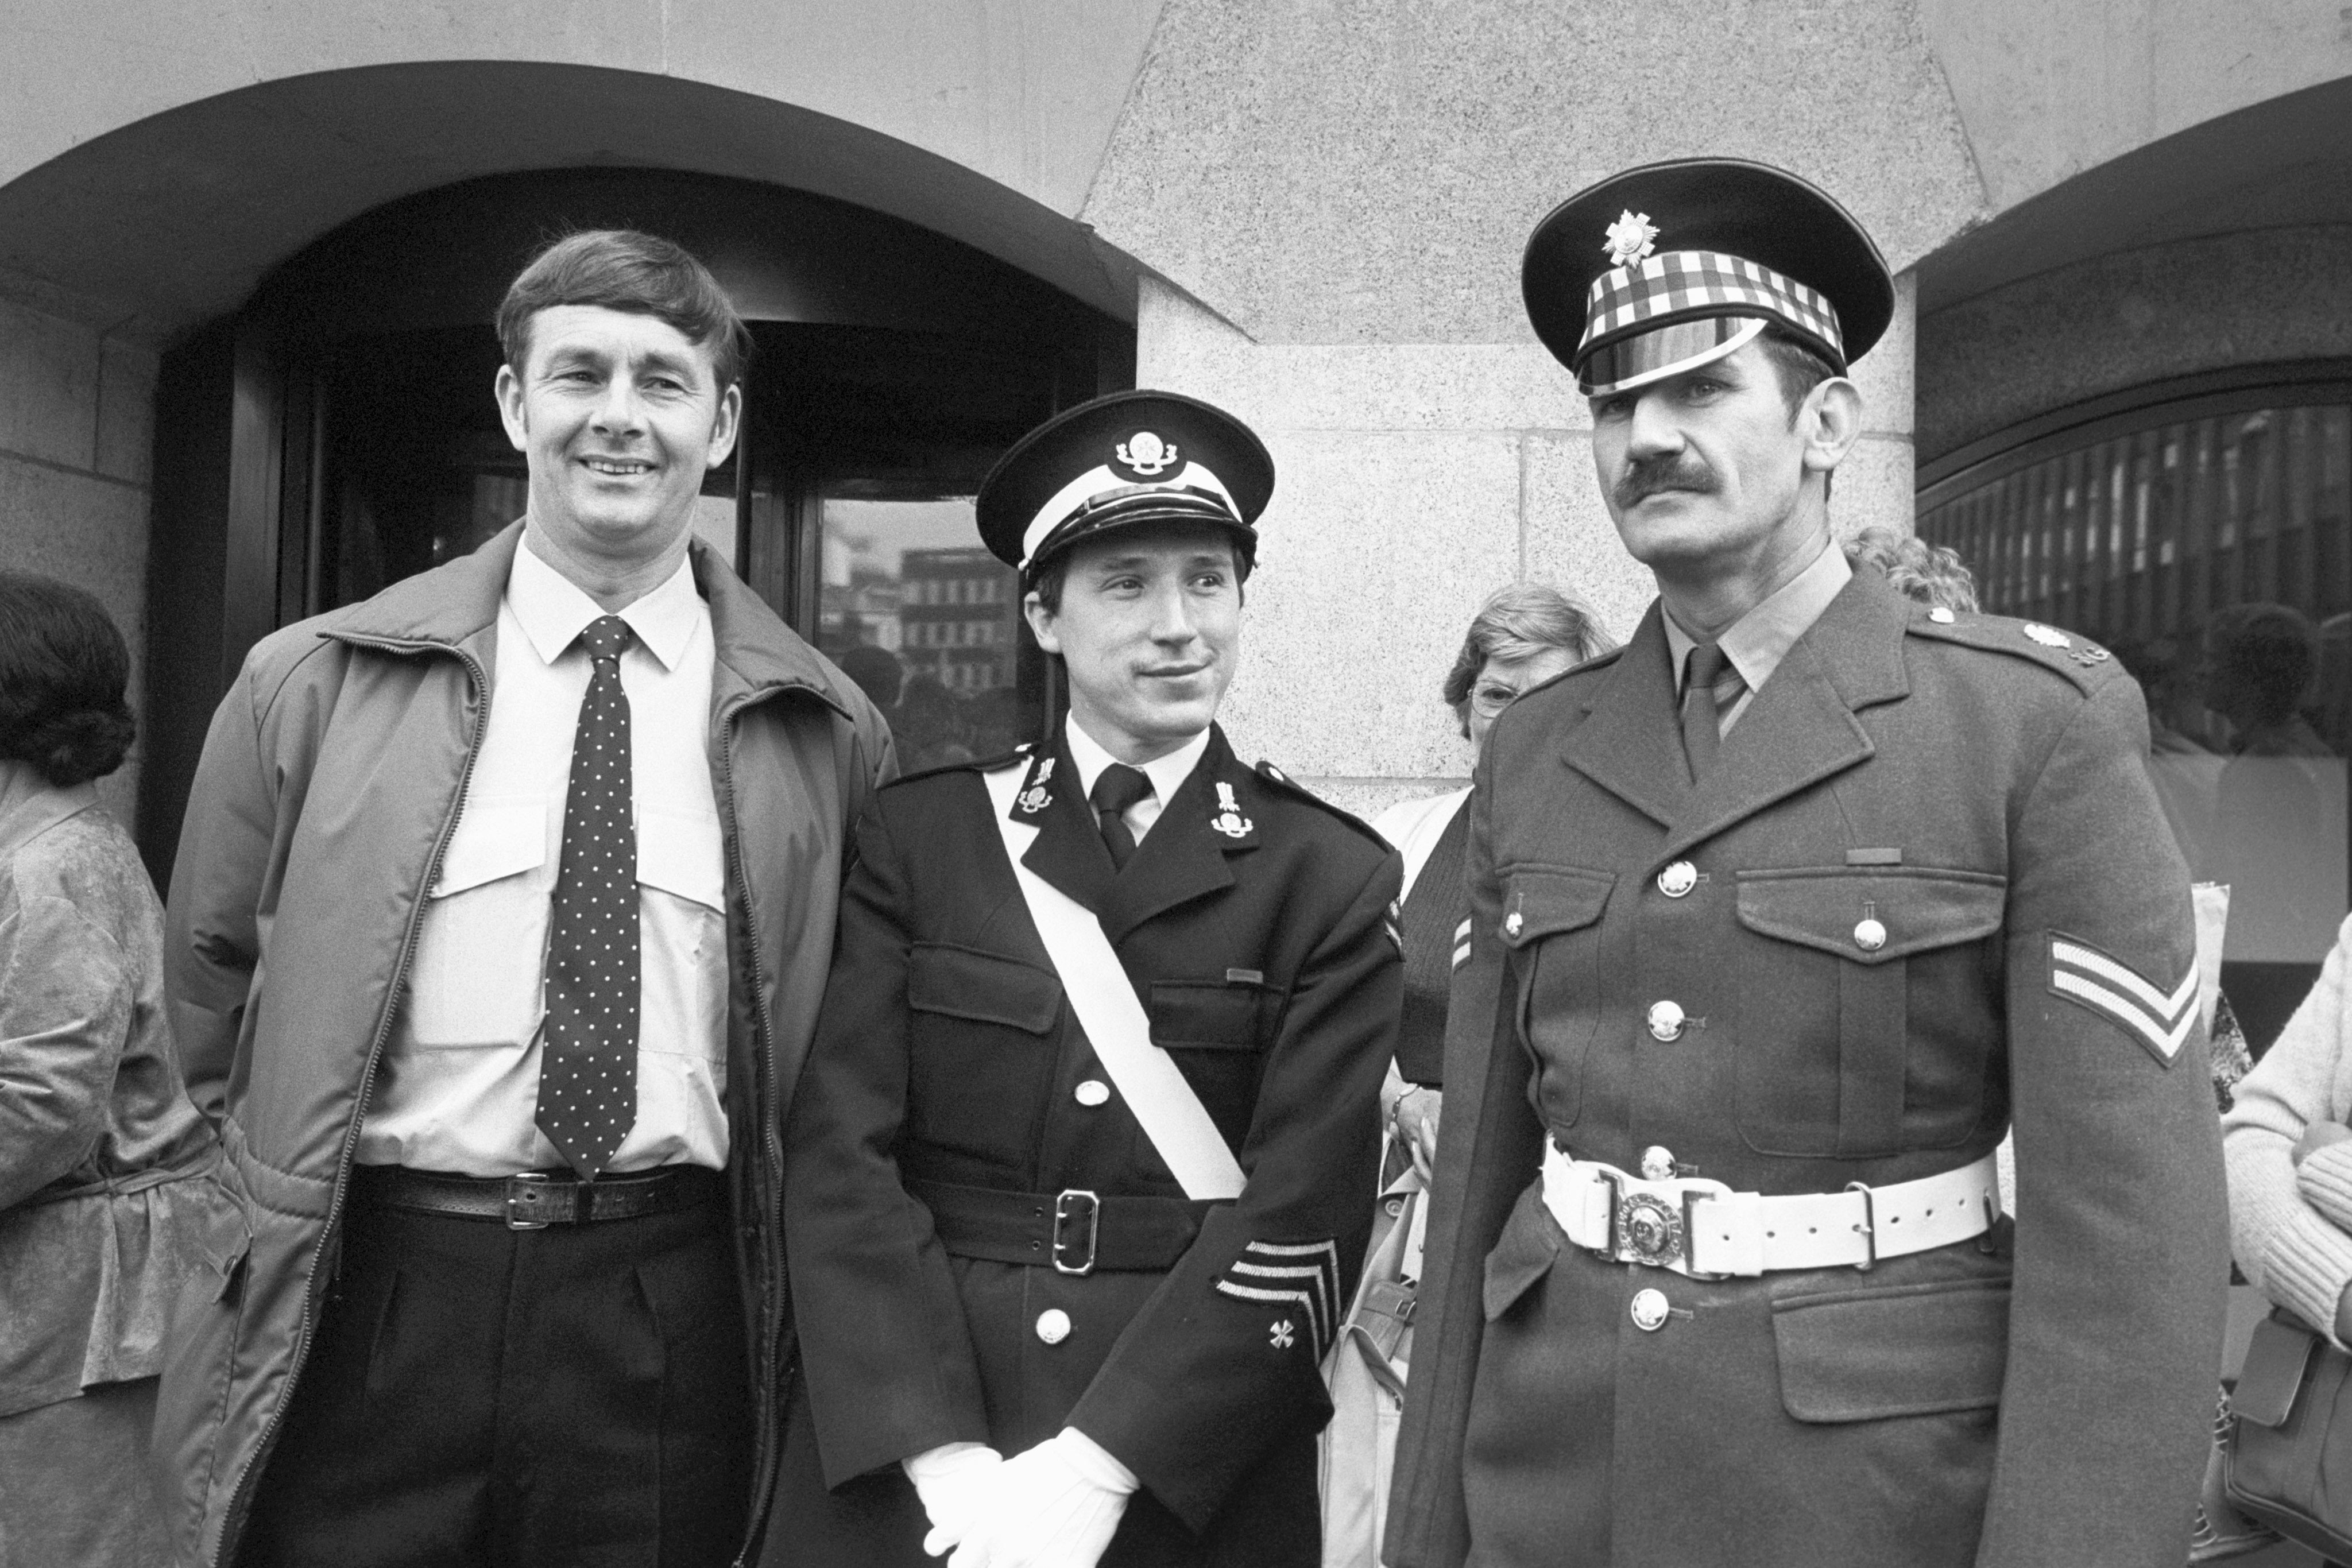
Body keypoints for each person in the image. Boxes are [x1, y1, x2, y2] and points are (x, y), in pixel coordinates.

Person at [1384, 158, 2229, 1568]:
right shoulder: (1536, 747)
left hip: (1865, 1503)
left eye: (1699, 389)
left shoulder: (2026, 728)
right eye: (1611, 403)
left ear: (1827, 420)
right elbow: (1478, 1176)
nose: (1643, 436)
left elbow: (2126, 1255)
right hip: (1550, 1487)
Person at [154, 229, 895, 1567]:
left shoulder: (825, 734)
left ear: (720, 426)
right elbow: (198, 1008)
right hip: (371, 1298)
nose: (620, 416)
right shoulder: (312, 686)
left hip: (668, 1307)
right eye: (581, 374)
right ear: (516, 406)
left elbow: (845, 1059)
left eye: (664, 383)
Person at [780, 389, 1405, 1567]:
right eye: (1127, 584)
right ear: (1042, 615)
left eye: (1206, 581)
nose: (1179, 625)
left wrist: (1099, 1466)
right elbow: (838, 1156)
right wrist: (939, 1455)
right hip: (921, 1436)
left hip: (1187, 1453)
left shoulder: (1326, 875)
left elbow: (1304, 1209)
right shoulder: (924, 840)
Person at [0, 572, 227, 1568]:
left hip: (85, 1319)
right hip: (82, 1308)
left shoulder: (53, 869)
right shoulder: (60, 850)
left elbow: (43, 1105)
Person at [1374, 585, 1616, 1183]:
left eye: (1546, 699)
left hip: (1567, 1183)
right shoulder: (1399, 835)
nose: (1515, 720)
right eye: (1496, 695)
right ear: (1465, 706)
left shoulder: (1625, 848)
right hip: (1410, 1181)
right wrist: (1404, 1105)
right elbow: (1330, 1017)